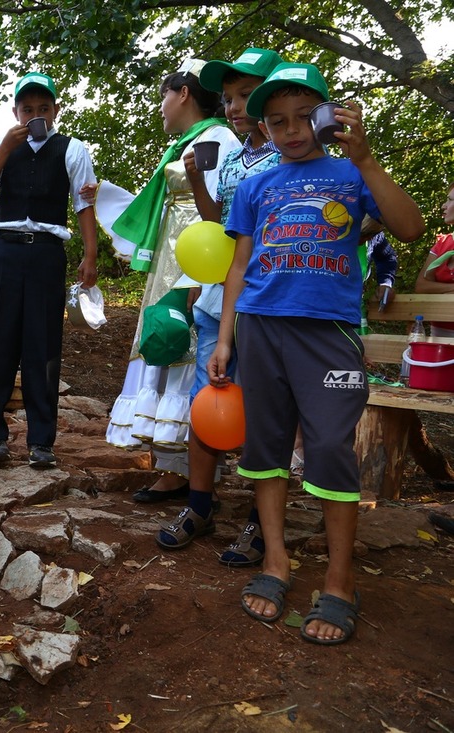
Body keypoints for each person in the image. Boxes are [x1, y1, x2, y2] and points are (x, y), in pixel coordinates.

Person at [211, 62, 423, 644]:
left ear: (328, 115)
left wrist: (369, 161)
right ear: (266, 130)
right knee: (266, 446)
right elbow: (237, 266)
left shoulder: (352, 175)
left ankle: (339, 580)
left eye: (305, 117)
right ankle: (275, 563)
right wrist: (226, 337)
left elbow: (408, 227)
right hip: (260, 329)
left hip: (329, 336)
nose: (293, 130)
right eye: (277, 122)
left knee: (330, 445)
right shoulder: (255, 185)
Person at [147, 48, 284, 559]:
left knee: (263, 414)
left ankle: (259, 521)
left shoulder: (293, 154)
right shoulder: (232, 154)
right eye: (228, 98)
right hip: (218, 301)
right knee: (209, 402)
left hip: (271, 303)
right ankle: (200, 506)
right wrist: (201, 178)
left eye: (246, 96)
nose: (233, 107)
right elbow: (217, 223)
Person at [105, 60, 241, 495]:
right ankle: (172, 463)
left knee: (186, 353)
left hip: (193, 262)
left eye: (164, 95)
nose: (161, 106)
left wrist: (201, 280)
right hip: (172, 256)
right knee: (166, 348)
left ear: (183, 93)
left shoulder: (219, 138)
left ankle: (189, 473)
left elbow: (218, 215)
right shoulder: (190, 141)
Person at [0, 71, 99, 469]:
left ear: (56, 110)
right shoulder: (3, 145)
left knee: (43, 346)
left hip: (46, 254)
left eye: (44, 108)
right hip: (5, 252)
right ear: (16, 111)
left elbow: (83, 204)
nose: (35, 115)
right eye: (28, 109)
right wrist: (4, 149)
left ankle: (41, 442)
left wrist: (90, 254)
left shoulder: (73, 149)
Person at [414, 182, 454, 337]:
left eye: (450, 200)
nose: (444, 206)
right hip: (440, 331)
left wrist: (439, 289)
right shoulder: (443, 243)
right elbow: (421, 285)